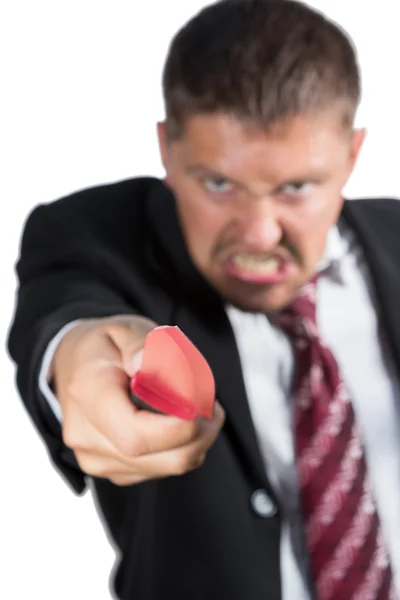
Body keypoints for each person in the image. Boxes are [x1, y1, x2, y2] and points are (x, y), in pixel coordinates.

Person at [7, 0, 400, 598]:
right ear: (167, 151)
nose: (259, 233)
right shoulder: (97, 236)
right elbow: (69, 318)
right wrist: (83, 364)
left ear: (351, 156)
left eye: (296, 188)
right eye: (219, 184)